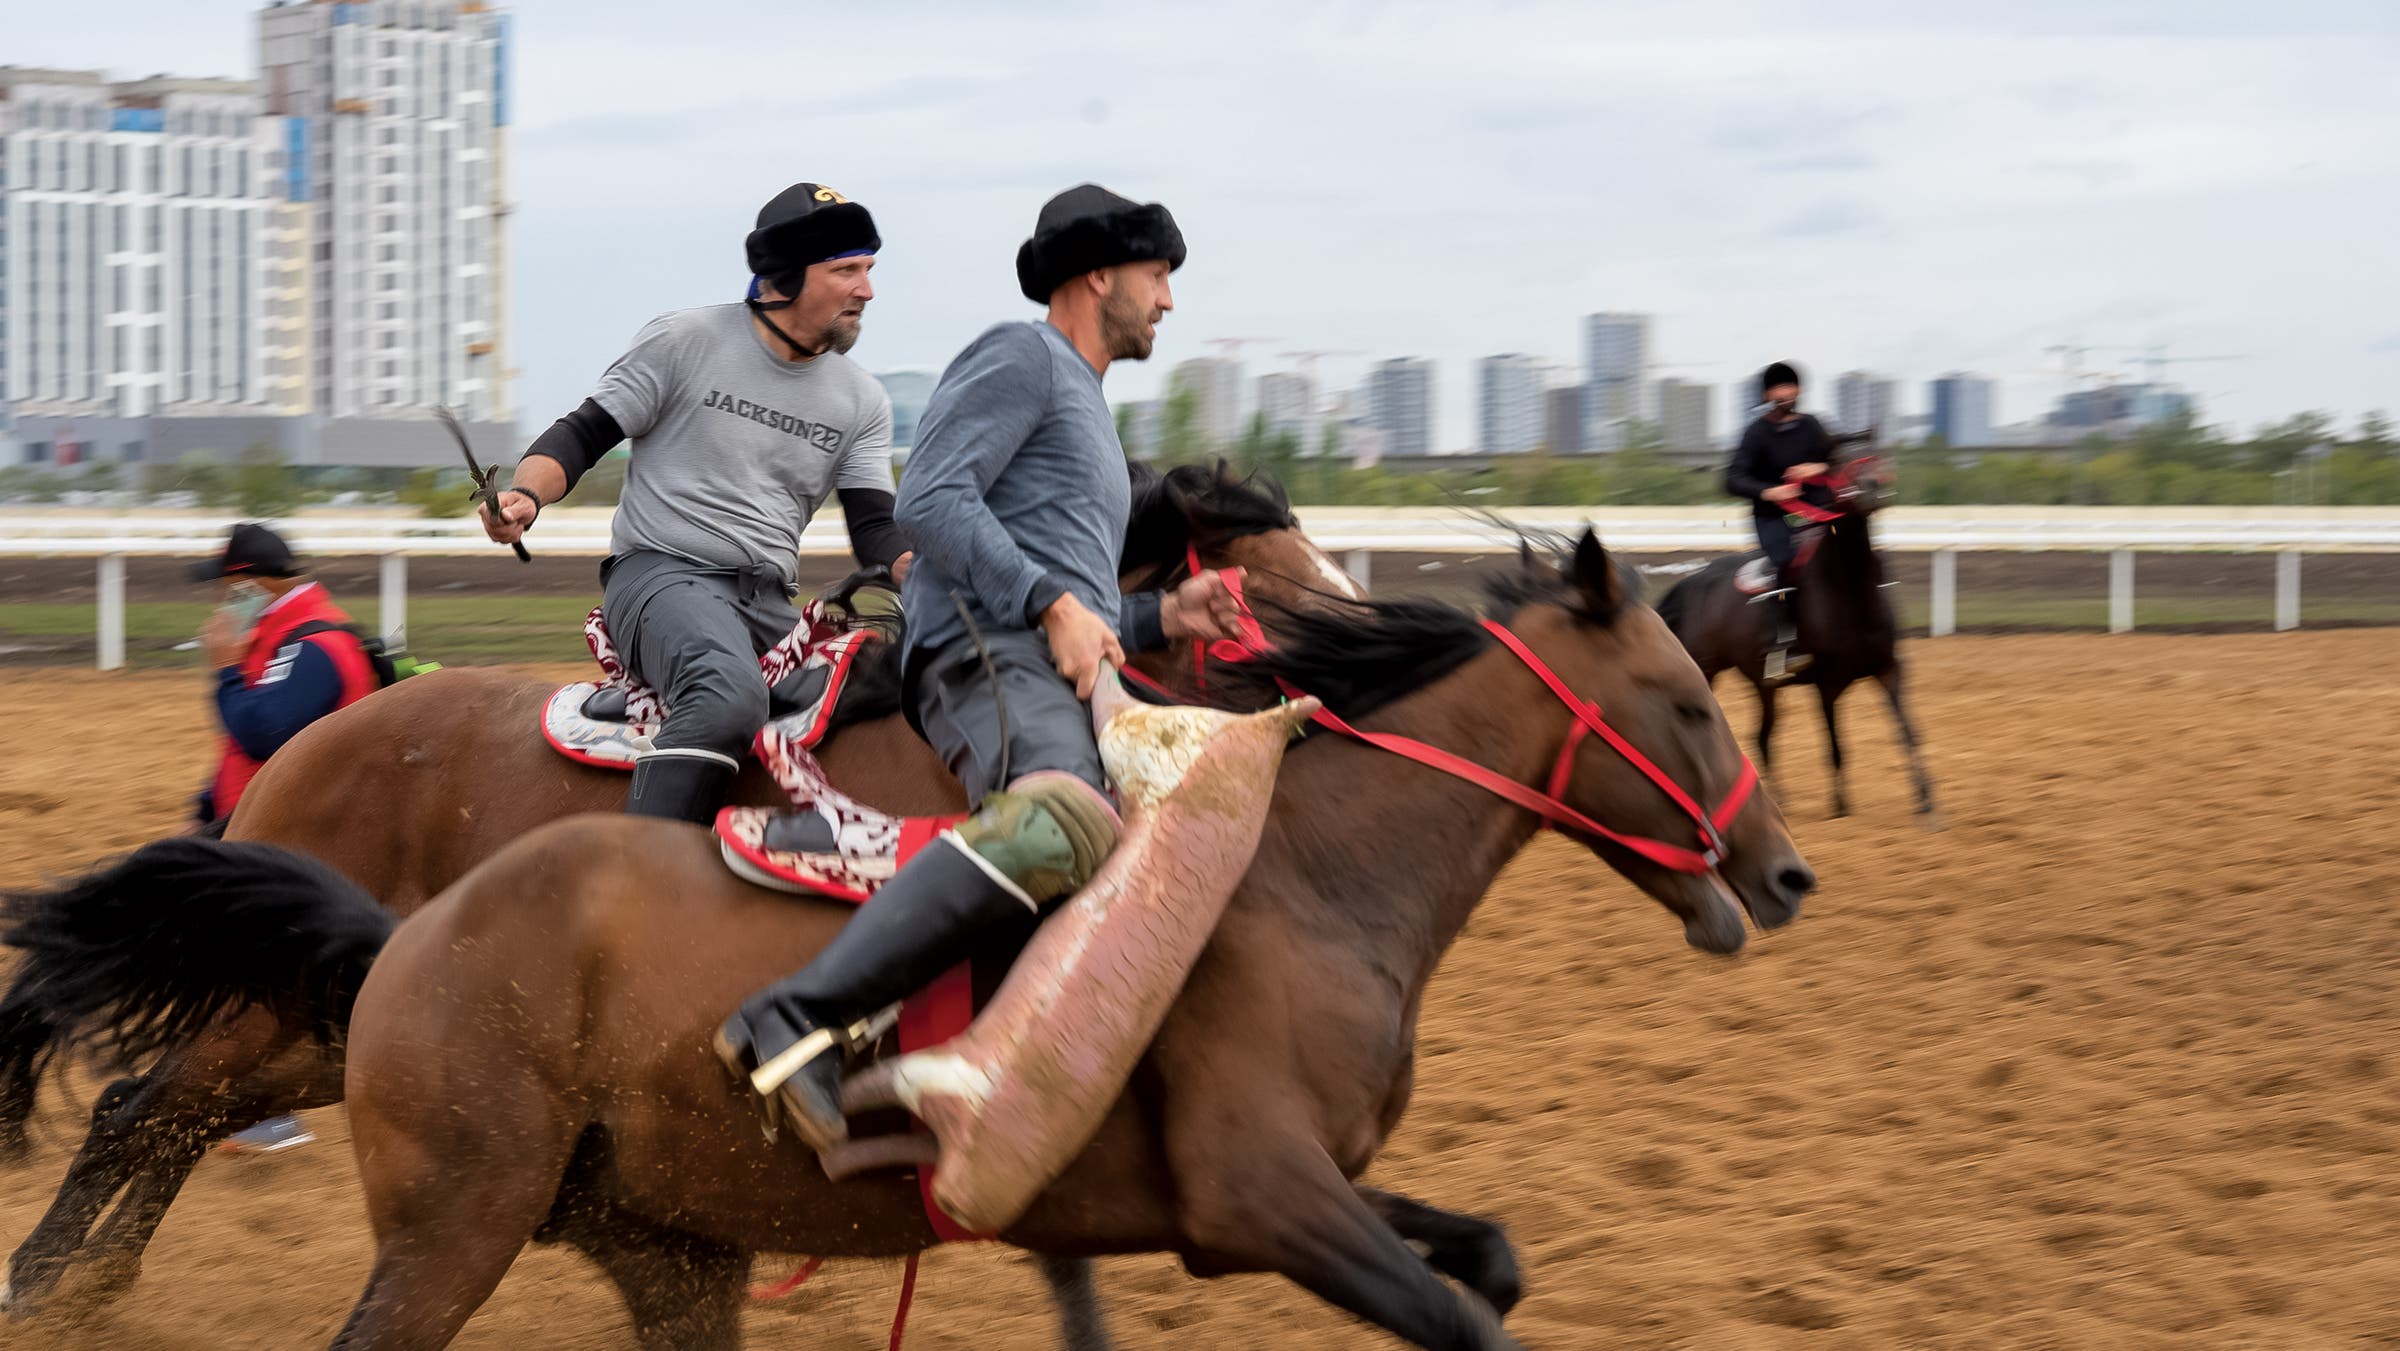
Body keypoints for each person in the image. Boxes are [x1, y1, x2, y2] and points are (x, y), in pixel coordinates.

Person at [715, 184, 1248, 1150]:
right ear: (1098, 274)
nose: (1168, 300)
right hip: (980, 652)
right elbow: (930, 501)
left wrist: (1161, 611)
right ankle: (792, 1014)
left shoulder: (1082, 403)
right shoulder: (1025, 355)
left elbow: (1071, 594)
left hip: (1031, 653)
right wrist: (1050, 602)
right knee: (1063, 820)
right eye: (1158, 275)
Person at [481, 183, 913, 824]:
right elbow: (583, 433)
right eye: (846, 270)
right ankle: (639, 873)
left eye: (869, 270)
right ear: (786, 275)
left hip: (768, 605)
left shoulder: (862, 400)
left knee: (876, 697)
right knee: (728, 698)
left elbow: (876, 527)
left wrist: (936, 570)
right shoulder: (685, 340)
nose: (867, 291)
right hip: (658, 577)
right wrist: (525, 496)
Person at [189, 521, 383, 1154]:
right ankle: (257, 1111)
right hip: (257, 832)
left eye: (225, 589)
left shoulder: (314, 644)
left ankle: (268, 1113)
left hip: (287, 843)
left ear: (246, 583)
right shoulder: (293, 639)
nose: (220, 603)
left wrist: (222, 672)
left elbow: (263, 732)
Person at [1725, 360, 1836, 679]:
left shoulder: (1814, 425)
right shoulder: (1756, 432)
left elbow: (1839, 459)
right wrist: (1770, 492)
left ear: (1798, 390)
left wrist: (1818, 468)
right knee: (1788, 562)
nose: (1784, 393)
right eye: (1778, 388)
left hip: (1816, 514)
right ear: (1767, 394)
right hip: (1773, 517)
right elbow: (1732, 479)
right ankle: (1785, 642)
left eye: (1789, 386)